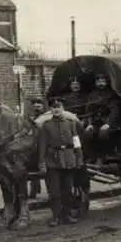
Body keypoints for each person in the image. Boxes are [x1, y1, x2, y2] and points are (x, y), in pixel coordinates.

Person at [38, 97, 84, 226]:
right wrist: (42, 162)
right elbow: (42, 145)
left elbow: (76, 141)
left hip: (69, 158)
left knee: (68, 189)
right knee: (55, 191)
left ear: (63, 109)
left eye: (58, 107)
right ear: (50, 110)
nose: (56, 109)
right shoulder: (46, 126)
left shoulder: (70, 123)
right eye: (53, 107)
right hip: (53, 160)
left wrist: (79, 157)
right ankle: (56, 217)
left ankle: (67, 215)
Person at [84, 74, 120, 167]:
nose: (100, 83)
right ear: (95, 83)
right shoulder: (92, 95)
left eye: (103, 81)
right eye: (98, 81)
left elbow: (114, 111)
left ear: (106, 82)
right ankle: (91, 157)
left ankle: (101, 158)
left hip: (110, 122)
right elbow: (88, 111)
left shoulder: (112, 94)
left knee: (103, 132)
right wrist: (89, 124)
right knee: (88, 132)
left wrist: (108, 123)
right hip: (96, 121)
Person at [27, 97, 46, 199]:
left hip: (45, 144)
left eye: (38, 106)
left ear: (43, 107)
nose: (36, 109)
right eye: (34, 107)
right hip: (34, 145)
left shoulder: (46, 117)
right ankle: (34, 189)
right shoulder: (30, 118)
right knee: (32, 165)